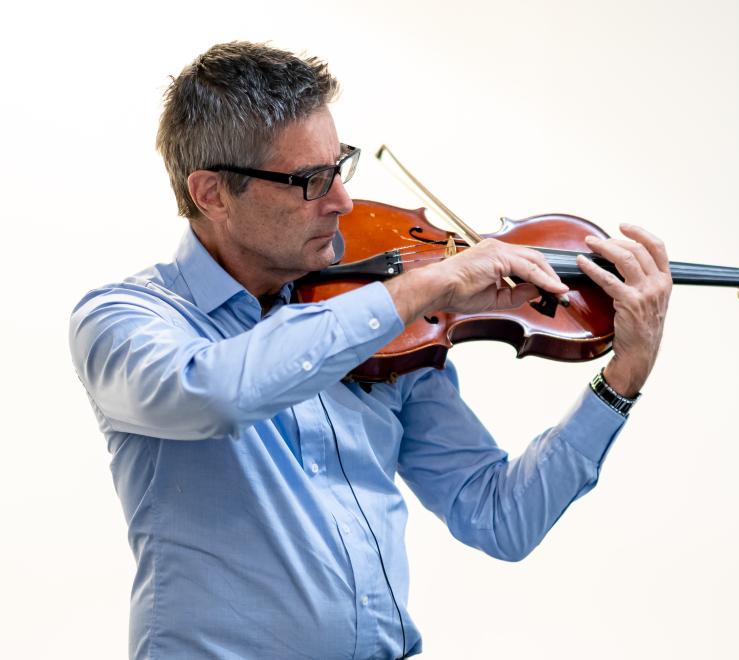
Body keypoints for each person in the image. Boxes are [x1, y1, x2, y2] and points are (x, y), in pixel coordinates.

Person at [68, 41, 672, 660]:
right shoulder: (125, 322)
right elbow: (216, 394)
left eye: (341, 166)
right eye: (311, 181)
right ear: (213, 193)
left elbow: (499, 517)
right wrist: (423, 287)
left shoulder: (387, 328)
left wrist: (622, 378)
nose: (343, 201)